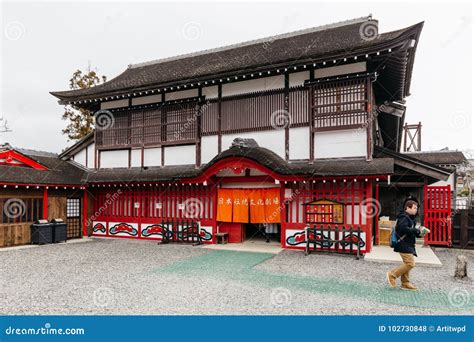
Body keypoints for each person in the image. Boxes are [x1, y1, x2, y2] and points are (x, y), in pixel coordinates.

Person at [386, 199, 422, 291]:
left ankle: (405, 283)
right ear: (407, 208)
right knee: (410, 263)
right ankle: (392, 275)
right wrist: (415, 230)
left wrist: (419, 233)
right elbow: (402, 228)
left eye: (416, 208)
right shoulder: (404, 217)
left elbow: (409, 230)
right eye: (414, 208)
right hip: (403, 244)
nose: (416, 210)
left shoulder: (409, 217)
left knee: (407, 263)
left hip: (408, 244)